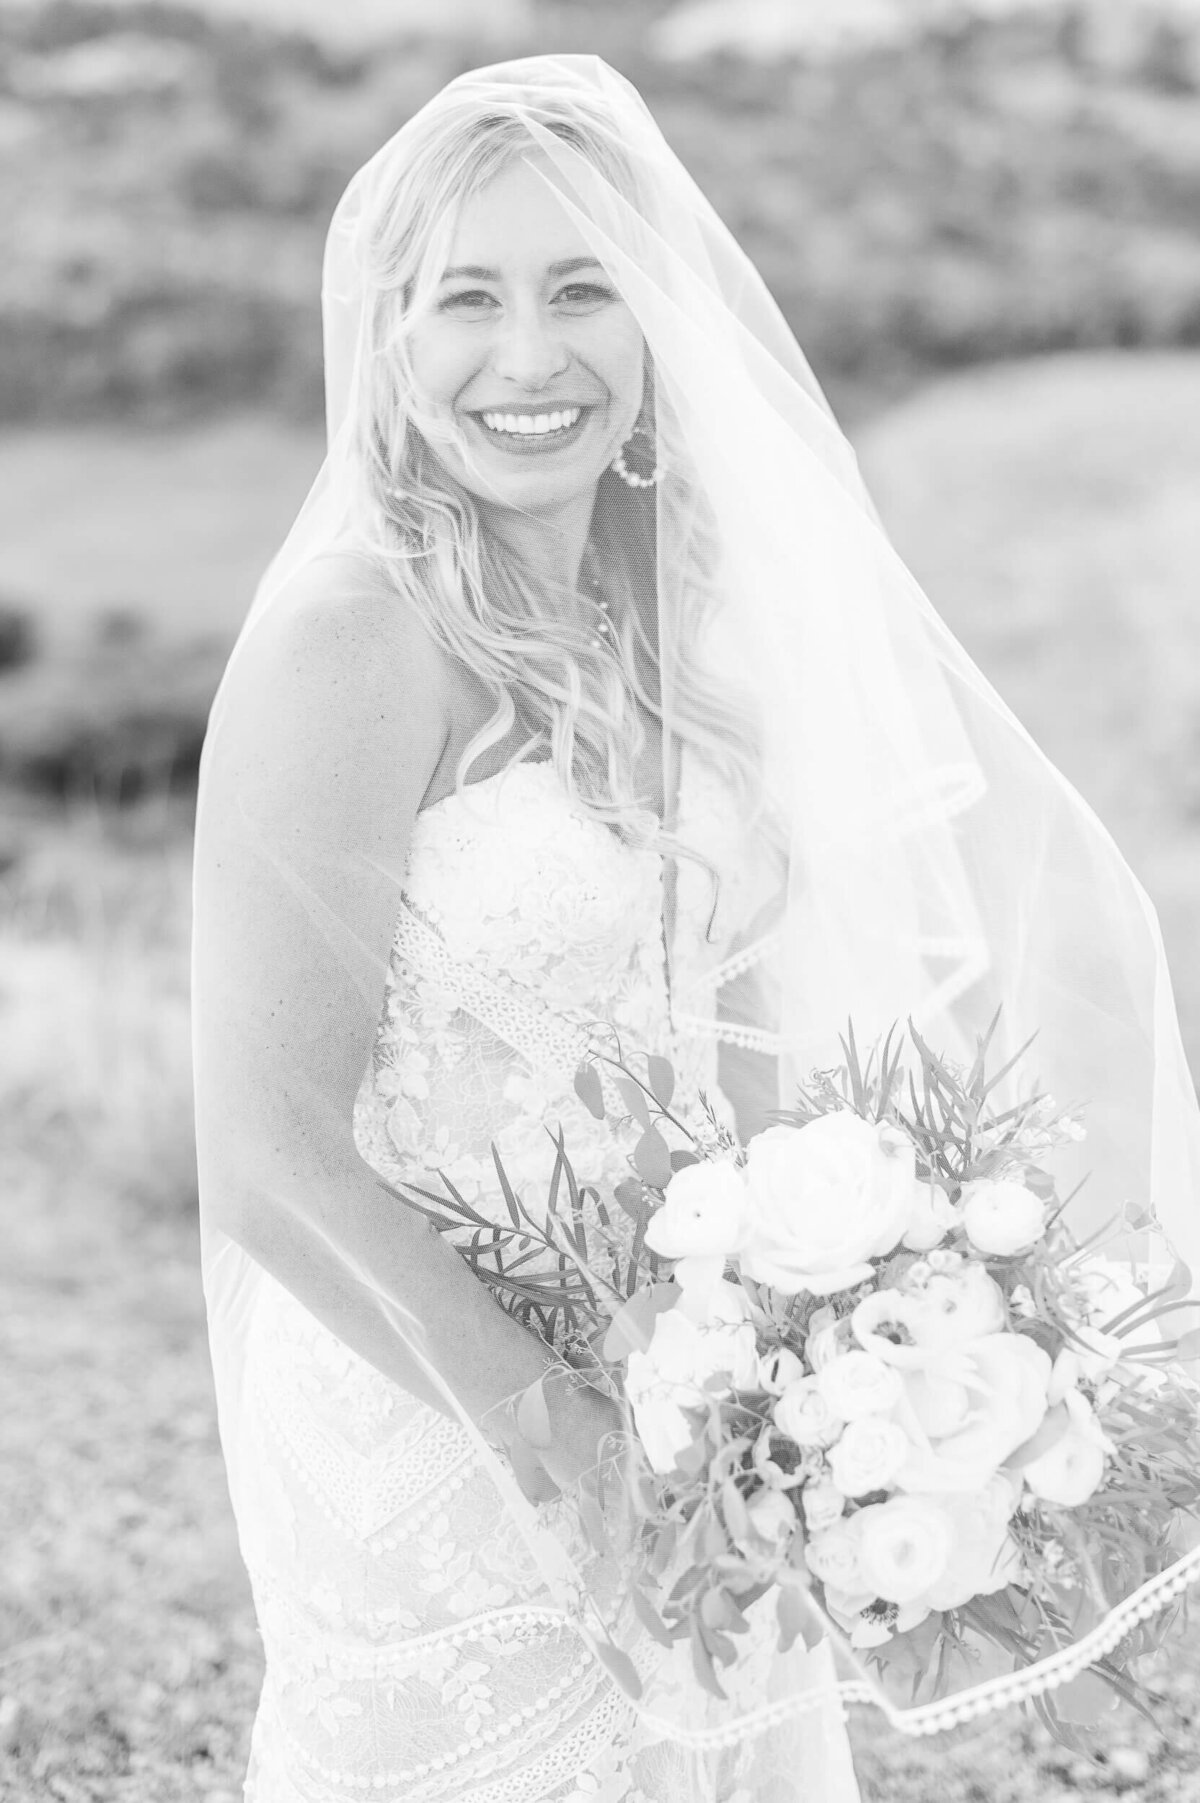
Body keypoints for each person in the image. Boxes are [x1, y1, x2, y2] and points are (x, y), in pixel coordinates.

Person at [191, 53, 1200, 1803]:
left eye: (584, 289)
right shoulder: (351, 646)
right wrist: (564, 1452)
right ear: (391, 342)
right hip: (432, 1411)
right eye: (467, 301)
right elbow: (269, 1152)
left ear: (659, 334)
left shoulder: (675, 638)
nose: (529, 357)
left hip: (688, 1408)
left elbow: (732, 1060)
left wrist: (860, 1359)